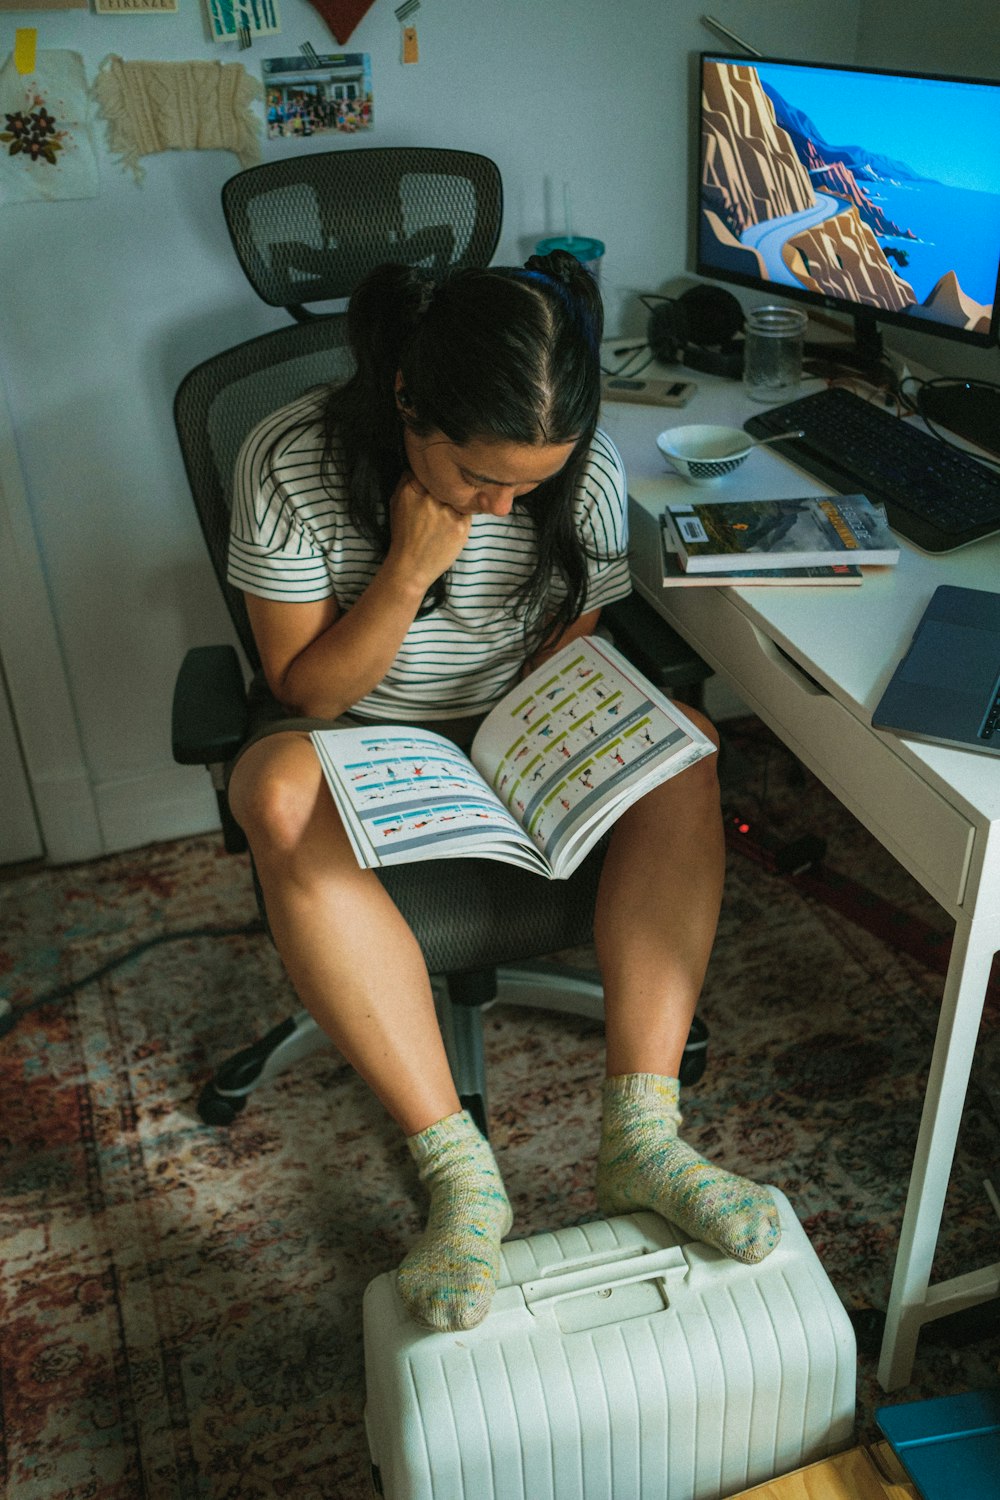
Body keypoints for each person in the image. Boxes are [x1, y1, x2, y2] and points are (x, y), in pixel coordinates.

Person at [225, 250, 780, 1332]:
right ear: (407, 407)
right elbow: (308, 690)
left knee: (689, 747)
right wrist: (407, 569)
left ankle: (643, 1138)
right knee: (277, 791)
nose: (508, 502)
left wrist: (542, 756)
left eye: (532, 481)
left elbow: (567, 651)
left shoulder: (586, 474)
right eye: (483, 478)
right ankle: (460, 1177)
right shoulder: (289, 457)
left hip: (509, 722)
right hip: (356, 726)